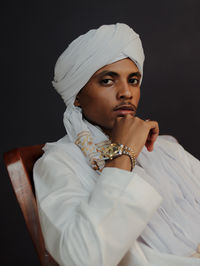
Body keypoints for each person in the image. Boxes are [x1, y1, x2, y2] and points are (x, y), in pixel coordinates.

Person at [33, 23, 200, 266]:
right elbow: (82, 258)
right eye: (108, 81)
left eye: (133, 80)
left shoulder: (166, 150)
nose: (126, 93)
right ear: (77, 96)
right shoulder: (59, 163)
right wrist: (123, 154)